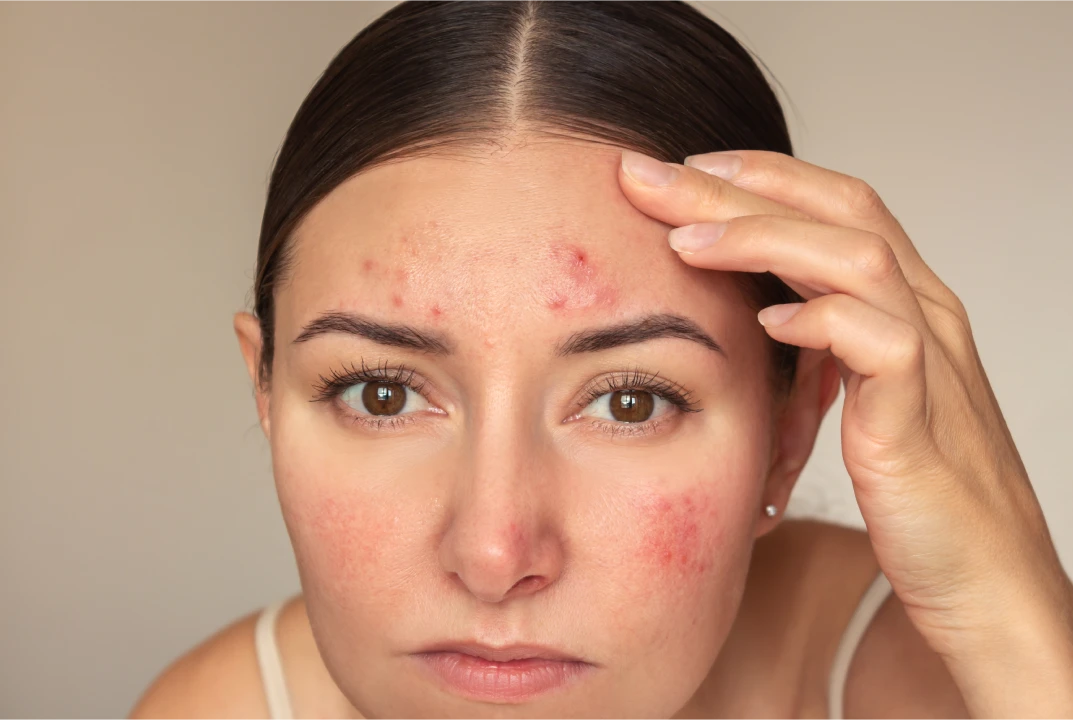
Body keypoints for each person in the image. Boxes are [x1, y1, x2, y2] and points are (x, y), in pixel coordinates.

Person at [128, 0, 1073, 718]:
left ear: (789, 431)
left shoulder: (924, 682)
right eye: (381, 393)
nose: (494, 555)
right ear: (265, 393)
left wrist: (1018, 630)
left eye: (629, 402)